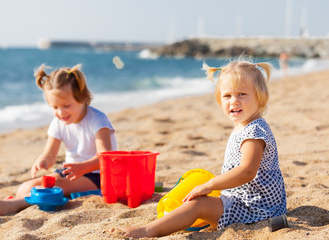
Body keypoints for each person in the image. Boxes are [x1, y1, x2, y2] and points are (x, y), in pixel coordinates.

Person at [123, 59, 287, 238]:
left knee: (198, 205)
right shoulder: (245, 125)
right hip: (245, 199)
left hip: (256, 208)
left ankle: (148, 230)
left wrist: (210, 185)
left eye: (242, 94)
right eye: (227, 96)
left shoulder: (254, 132)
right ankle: (175, 218)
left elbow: (247, 171)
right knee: (196, 187)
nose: (234, 101)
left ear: (260, 96)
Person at [0, 64, 117, 215]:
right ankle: (18, 202)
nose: (60, 112)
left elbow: (106, 158)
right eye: (55, 107)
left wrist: (83, 167)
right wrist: (43, 161)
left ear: (82, 97)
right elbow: (50, 155)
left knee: (43, 188)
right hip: (70, 172)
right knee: (26, 187)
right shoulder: (58, 122)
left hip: (99, 175)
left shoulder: (98, 120)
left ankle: (16, 204)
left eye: (66, 105)